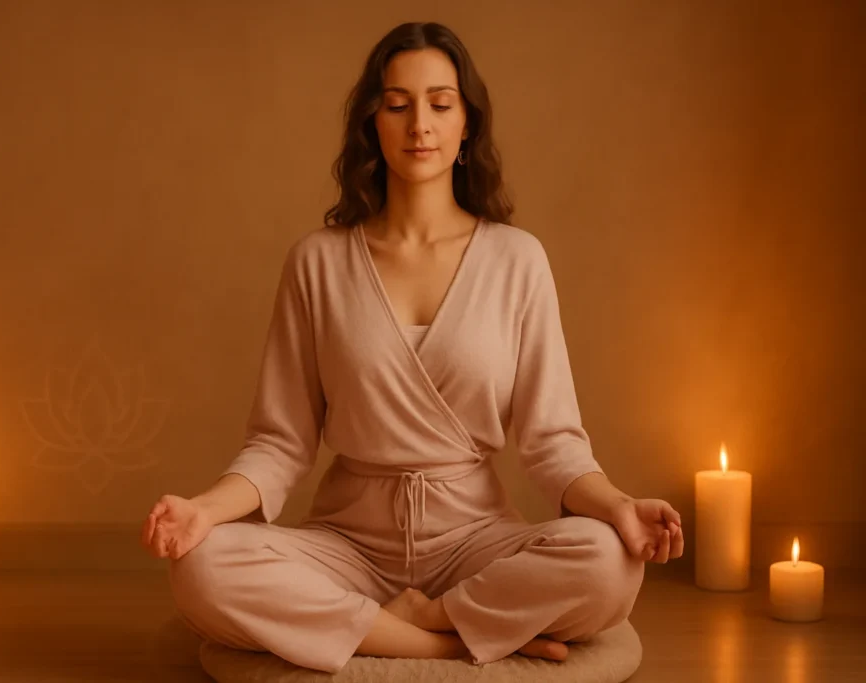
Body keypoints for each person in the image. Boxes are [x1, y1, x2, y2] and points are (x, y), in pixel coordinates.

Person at [140, 21, 683, 674]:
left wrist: (619, 507)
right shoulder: (317, 261)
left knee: (609, 561)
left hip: (475, 542)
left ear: (467, 124)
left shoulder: (518, 260)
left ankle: (403, 618)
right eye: (397, 105)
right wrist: (203, 510)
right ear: (372, 124)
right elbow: (280, 444)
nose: (419, 125)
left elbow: (553, 444)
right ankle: (444, 637)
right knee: (201, 566)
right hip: (346, 545)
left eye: (440, 104)